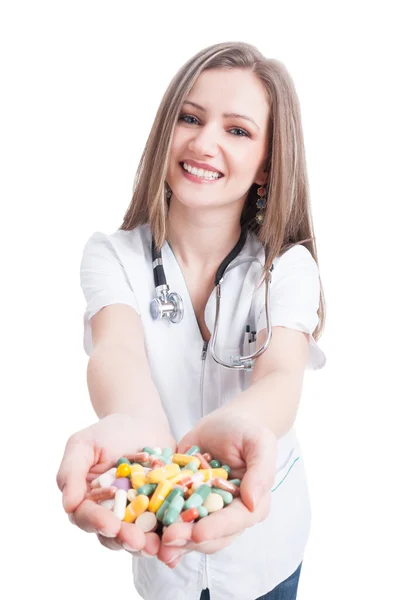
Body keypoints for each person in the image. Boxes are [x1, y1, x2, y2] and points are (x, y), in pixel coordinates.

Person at [56, 40, 326, 600]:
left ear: (268, 164)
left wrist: (243, 427)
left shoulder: (286, 267)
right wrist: (137, 426)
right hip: (163, 557)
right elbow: (117, 352)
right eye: (190, 117)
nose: (204, 142)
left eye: (238, 130)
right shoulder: (113, 255)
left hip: (265, 547)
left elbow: (281, 376)